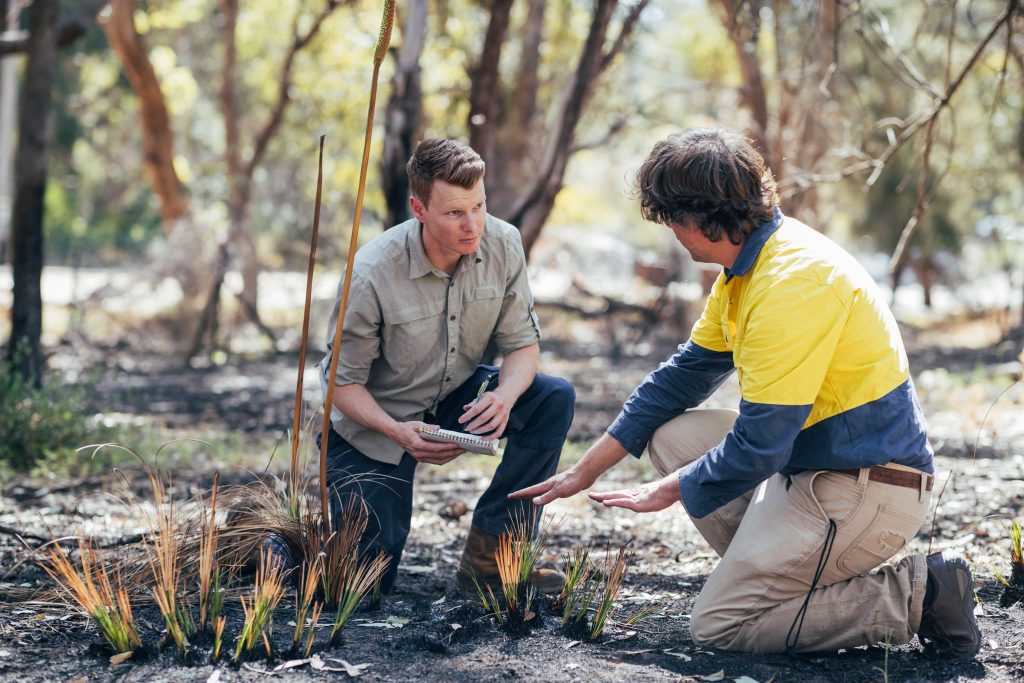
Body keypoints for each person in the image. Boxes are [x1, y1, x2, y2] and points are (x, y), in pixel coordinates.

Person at [511, 127, 981, 659]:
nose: (669, 231)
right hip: (813, 468)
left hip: (868, 487)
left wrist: (670, 489)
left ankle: (920, 595)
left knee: (718, 629)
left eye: (668, 218)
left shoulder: (791, 282)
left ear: (694, 218)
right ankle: (769, 586)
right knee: (673, 435)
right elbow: (681, 378)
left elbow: (761, 444)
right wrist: (585, 470)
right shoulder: (745, 270)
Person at [319, 137, 573, 594]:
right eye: (455, 212)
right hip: (376, 423)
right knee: (359, 587)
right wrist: (398, 432)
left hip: (455, 394)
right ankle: (275, 542)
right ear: (418, 209)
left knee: (551, 398)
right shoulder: (371, 273)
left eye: (478, 205)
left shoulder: (504, 242)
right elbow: (341, 384)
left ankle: (493, 558)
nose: (472, 224)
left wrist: (504, 396)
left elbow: (522, 346)